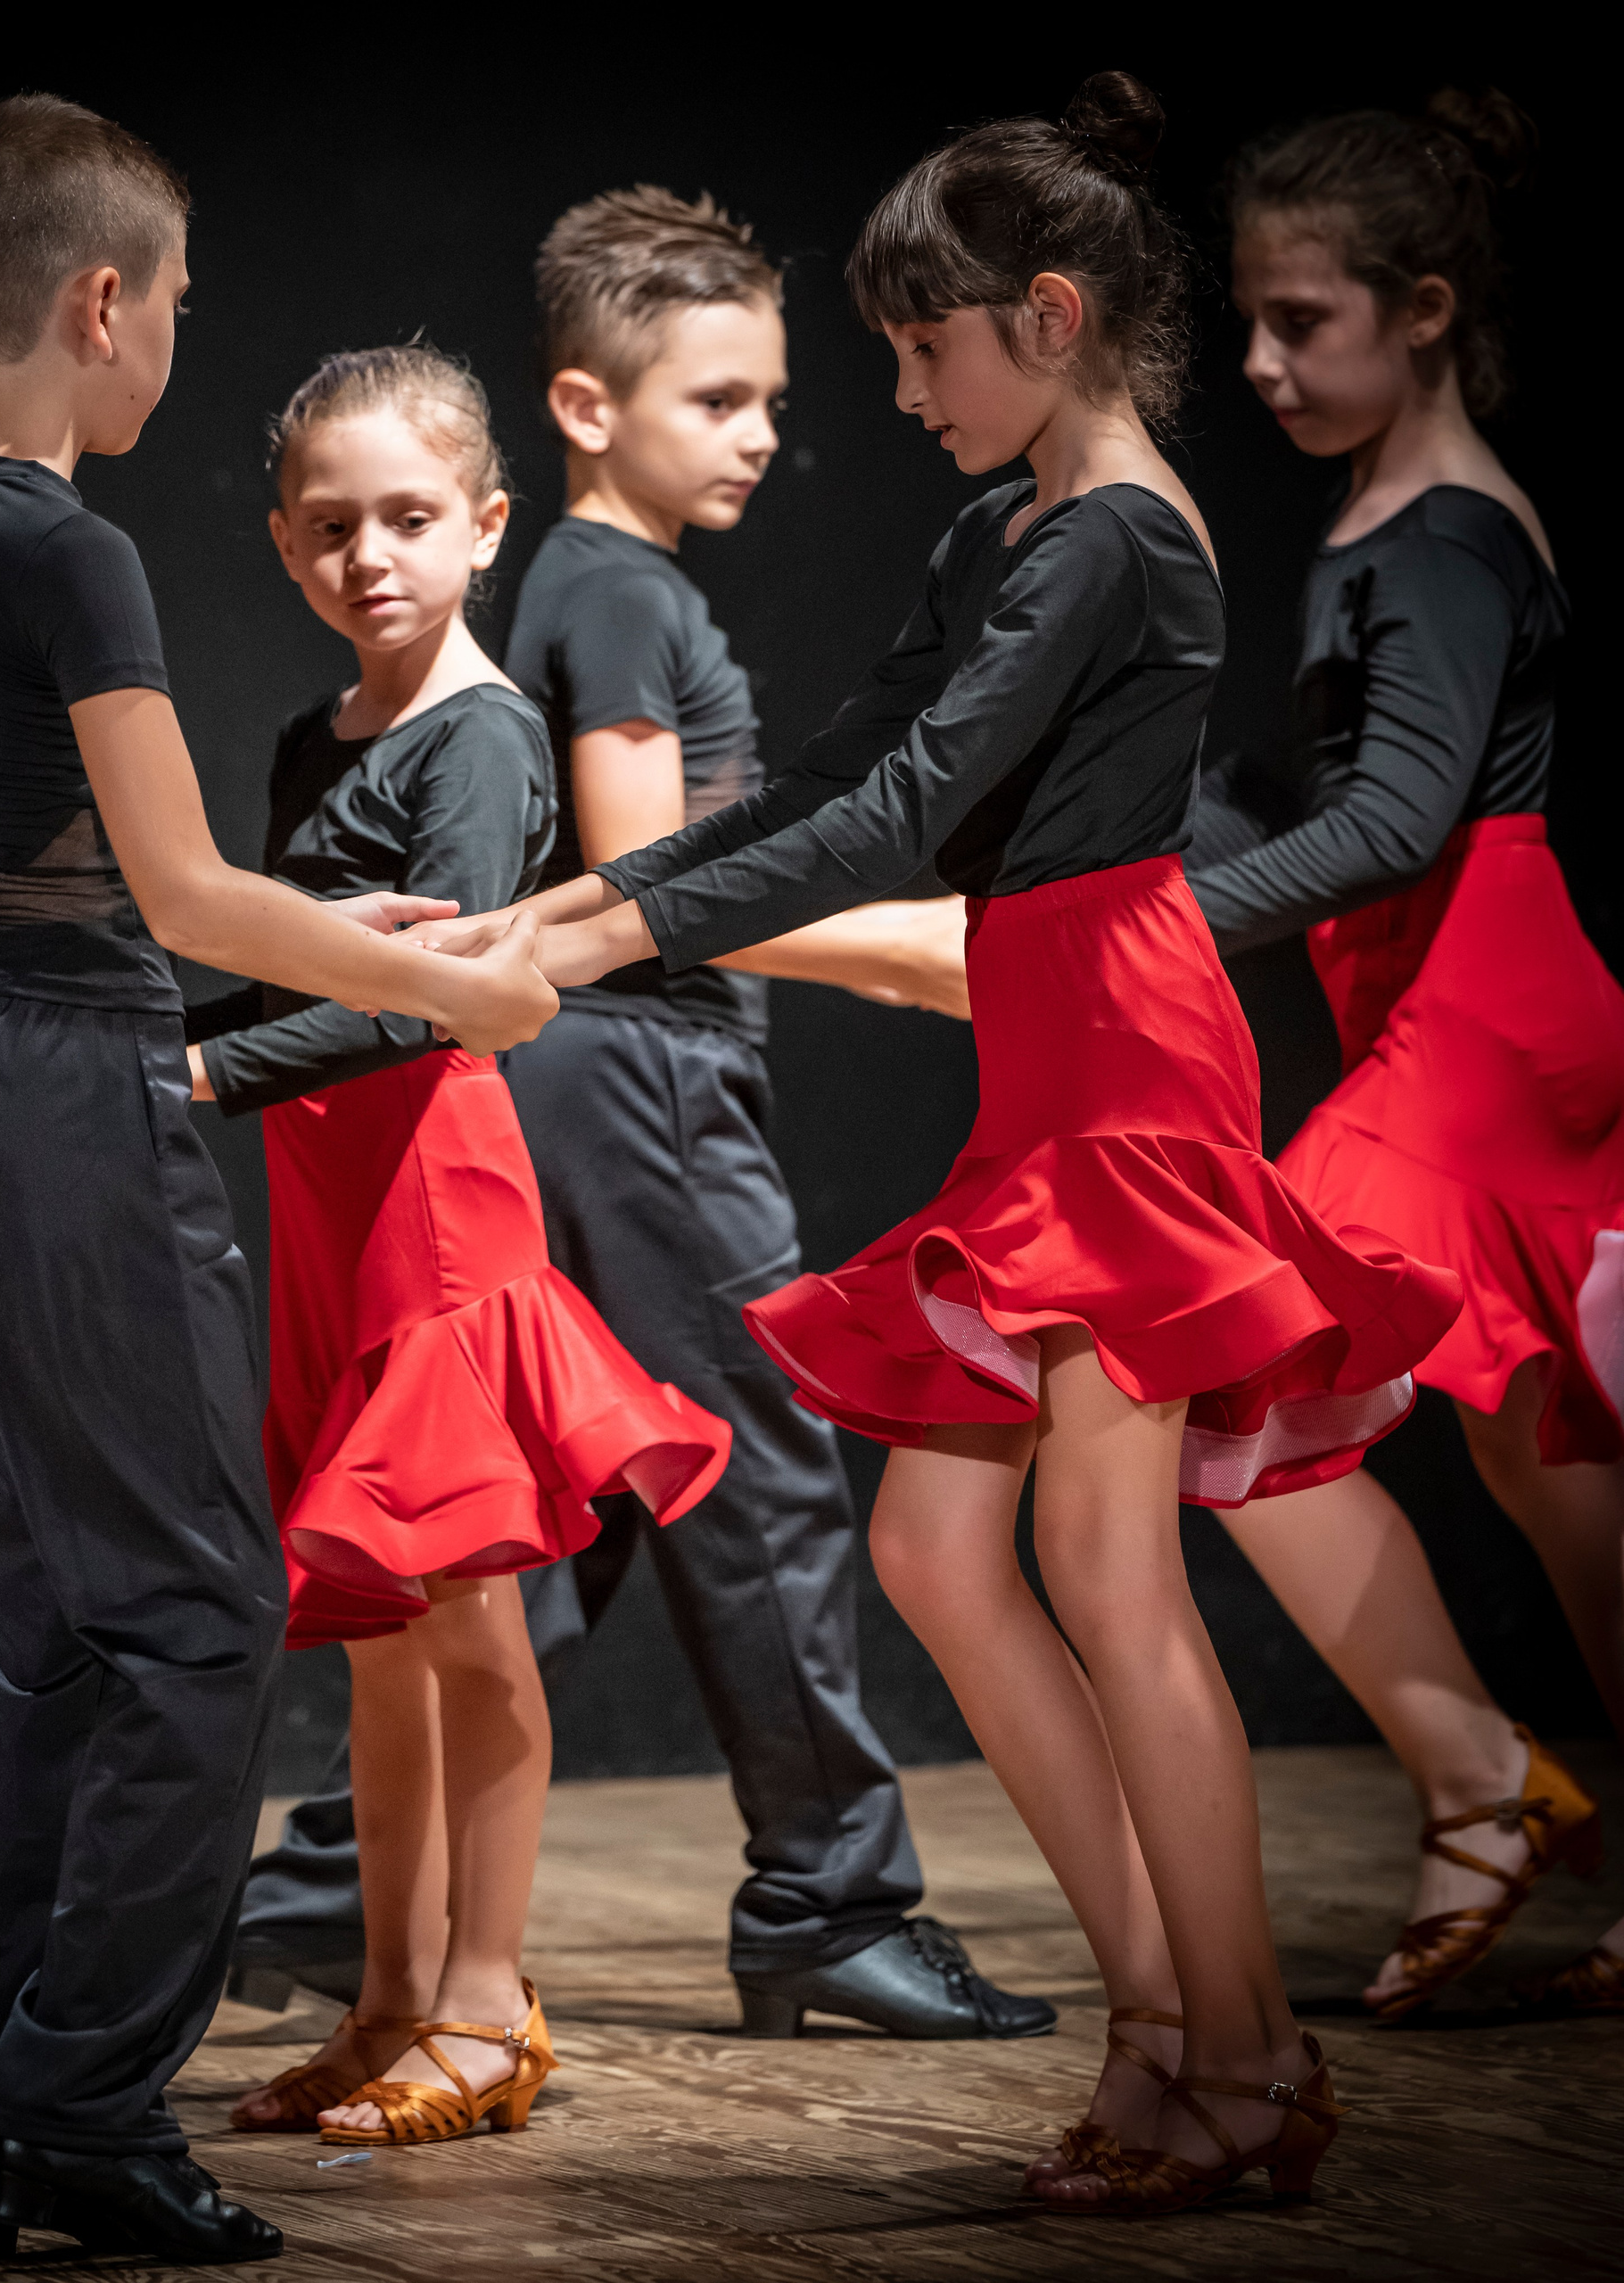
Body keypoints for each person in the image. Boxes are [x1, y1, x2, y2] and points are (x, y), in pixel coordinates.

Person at [422, 74, 1463, 2215]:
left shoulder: (1117, 532)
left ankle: (1231, 2057)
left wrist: (612, 930)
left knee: (1098, 1562)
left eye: (925, 346)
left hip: (1130, 1044)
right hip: (1056, 1049)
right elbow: (834, 757)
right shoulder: (1006, 525)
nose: (899, 392)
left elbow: (898, 824)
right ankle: (1177, 2025)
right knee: (929, 1552)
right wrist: (557, 909)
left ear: (1053, 316)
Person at [0, 98, 556, 2265]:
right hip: (61, 1076)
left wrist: (364, 951)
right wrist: (454, 995)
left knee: (34, 1621)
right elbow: (176, 893)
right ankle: (76, 2103)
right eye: (166, 299)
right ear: (99, 304)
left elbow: (115, 884)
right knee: (193, 1605)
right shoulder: (71, 547)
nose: (169, 328)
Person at [239, 188, 1054, 2048]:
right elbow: (643, 877)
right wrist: (919, 950)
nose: (762, 432)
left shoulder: (603, 591)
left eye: (770, 396)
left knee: (585, 1498)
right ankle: (828, 1896)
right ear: (588, 413)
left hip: (606, 1087)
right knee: (753, 1478)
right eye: (716, 397)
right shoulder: (614, 592)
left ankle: (337, 1869)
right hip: (645, 1083)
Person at [186, 346, 729, 2146]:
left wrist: (196, 1066)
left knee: (467, 1605)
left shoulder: (487, 735)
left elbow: (431, 1010)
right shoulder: (303, 740)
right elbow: (300, 970)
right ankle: (388, 1997)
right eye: (330, 526)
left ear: (486, 524)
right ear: (281, 542)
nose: (370, 557)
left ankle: (488, 2003)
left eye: (409, 518)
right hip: (325, 1207)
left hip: (435, 1200)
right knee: (380, 1628)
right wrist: (173, 1022)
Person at [1188, 88, 1620, 2021]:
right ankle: (1485, 1777)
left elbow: (1391, 824)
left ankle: (1470, 1771)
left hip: (1478, 1008)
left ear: (1423, 306)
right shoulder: (1385, 516)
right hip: (1448, 992)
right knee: (1545, 1458)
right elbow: (1355, 802)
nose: (1263, 363)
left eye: (1304, 323)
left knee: (1240, 1376)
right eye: (1251, 322)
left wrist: (1153, 917)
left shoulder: (1436, 532)